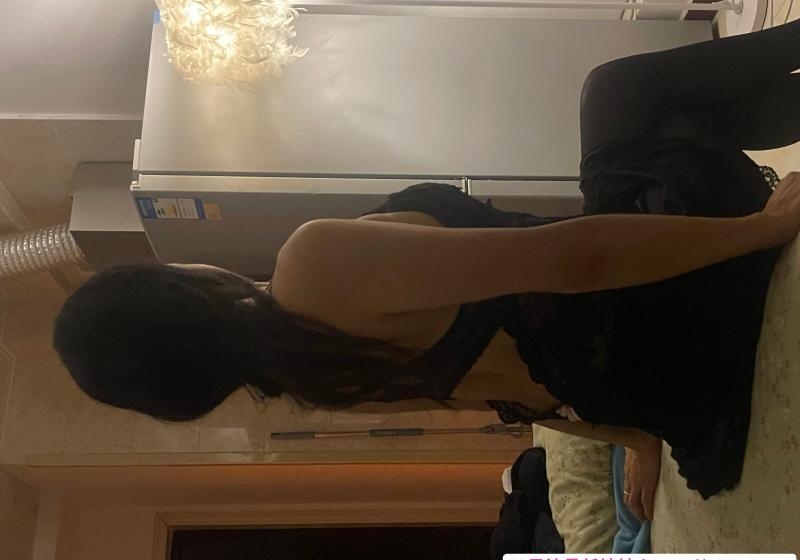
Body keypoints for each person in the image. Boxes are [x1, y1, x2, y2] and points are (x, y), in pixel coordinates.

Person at [54, 19, 800, 512]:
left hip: (665, 389)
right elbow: (573, 257)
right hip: (671, 311)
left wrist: (638, 437)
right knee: (620, 94)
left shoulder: (312, 377)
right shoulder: (311, 266)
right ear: (177, 288)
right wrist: (758, 232)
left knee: (671, 126)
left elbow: (512, 399)